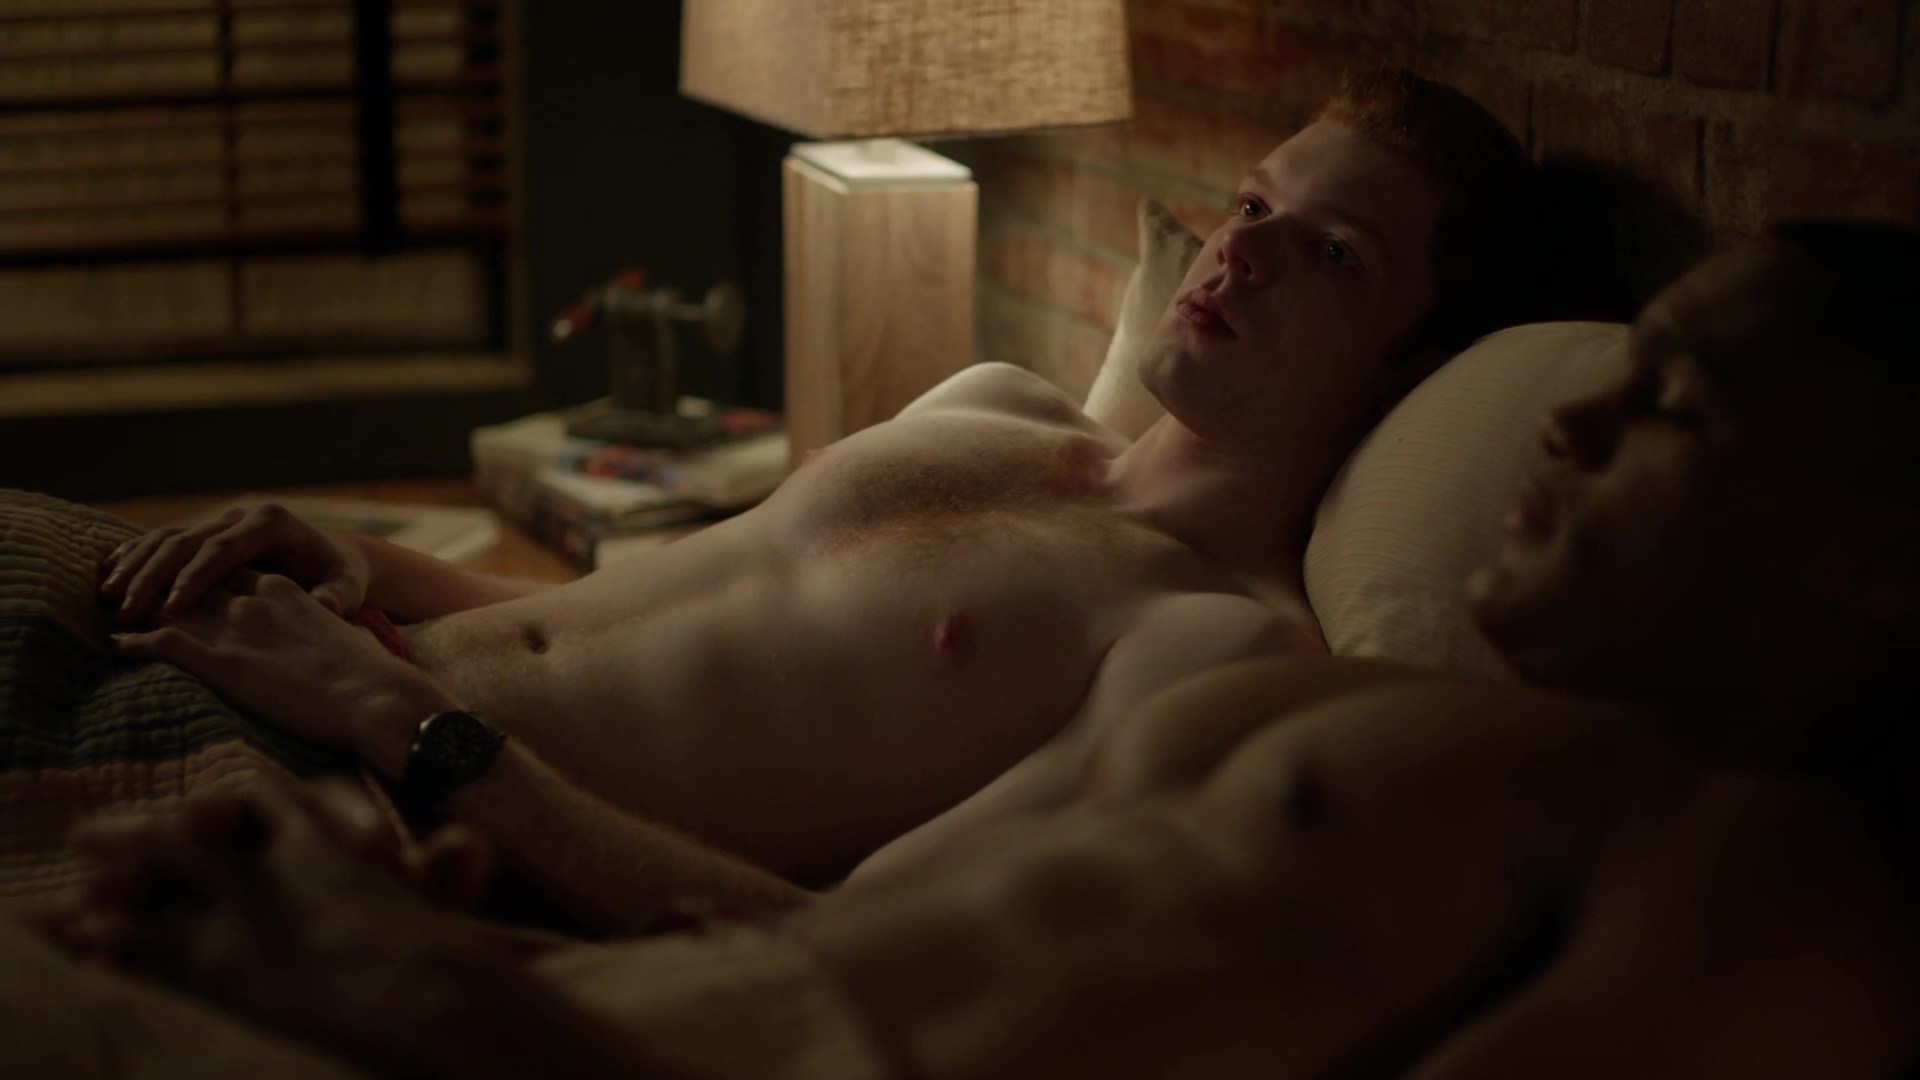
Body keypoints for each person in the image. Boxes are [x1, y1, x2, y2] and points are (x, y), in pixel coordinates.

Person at [42, 222, 1920, 1079]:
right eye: (1250, 208)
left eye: (1677, 410)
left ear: (1878, 570)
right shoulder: (1354, 712)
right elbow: (827, 938)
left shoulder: (1772, 865)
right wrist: (480, 950)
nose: (1572, 426)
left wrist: (477, 1000)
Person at [91, 69, 1540, 929]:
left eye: (1332, 254)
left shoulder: (1216, 645)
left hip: (381, 821)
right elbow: (601, 623)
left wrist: (396, 718)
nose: (1241, 255)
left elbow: (826, 941)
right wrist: (358, 554)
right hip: (302, 673)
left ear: (1413, 371)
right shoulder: (997, 403)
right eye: (1254, 203)